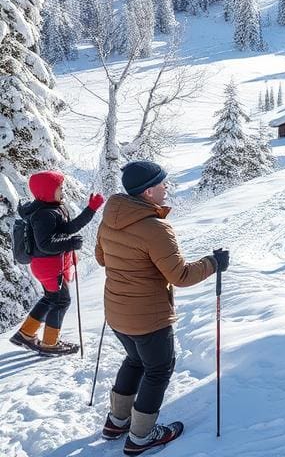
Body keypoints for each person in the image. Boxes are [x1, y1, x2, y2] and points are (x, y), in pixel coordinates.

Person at [95, 160, 229, 456]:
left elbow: (102, 258)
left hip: (117, 311)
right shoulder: (155, 228)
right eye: (162, 184)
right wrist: (214, 263)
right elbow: (180, 276)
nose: (166, 188)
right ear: (147, 192)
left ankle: (117, 422)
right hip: (149, 316)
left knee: (134, 360)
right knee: (158, 369)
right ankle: (141, 436)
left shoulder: (110, 219)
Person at [8, 171, 104, 355]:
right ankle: (50, 344)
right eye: (59, 187)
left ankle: (25, 334)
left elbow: (68, 228)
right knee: (61, 301)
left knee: (51, 299)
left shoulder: (52, 208)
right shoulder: (44, 214)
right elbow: (46, 245)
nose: (62, 190)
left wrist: (90, 210)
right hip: (49, 266)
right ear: (47, 190)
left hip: (47, 265)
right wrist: (70, 243)